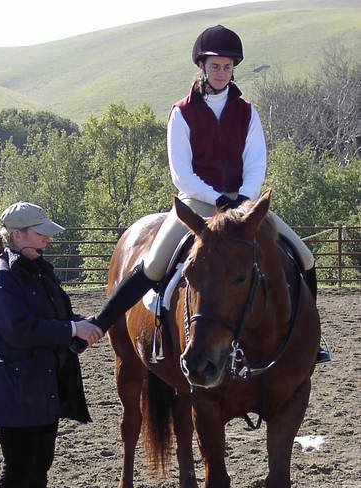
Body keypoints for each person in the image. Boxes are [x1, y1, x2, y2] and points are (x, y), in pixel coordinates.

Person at [84, 24, 330, 363]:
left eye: (227, 67)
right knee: (154, 263)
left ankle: (310, 341)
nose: (221, 73)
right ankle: (102, 322)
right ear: (202, 66)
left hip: (243, 205)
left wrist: (242, 198)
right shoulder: (182, 113)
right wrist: (217, 198)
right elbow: (181, 174)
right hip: (197, 201)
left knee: (304, 256)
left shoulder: (247, 112)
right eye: (215, 66)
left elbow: (256, 163)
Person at [0, 201, 103, 488]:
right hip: (13, 390)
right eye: (40, 232)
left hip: (42, 386)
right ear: (17, 235)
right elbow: (21, 331)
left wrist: (82, 324)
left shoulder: (40, 272)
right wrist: (72, 330)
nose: (47, 238)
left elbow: (58, 316)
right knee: (17, 471)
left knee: (39, 467)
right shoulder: (0, 280)